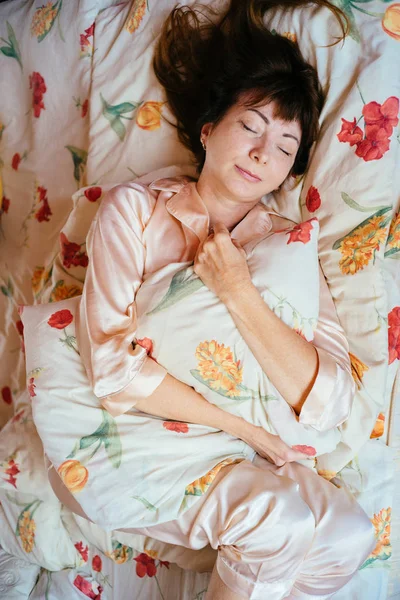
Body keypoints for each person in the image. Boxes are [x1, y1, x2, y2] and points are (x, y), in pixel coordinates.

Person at [67, 1, 376, 598]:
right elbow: (111, 366)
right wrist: (246, 429)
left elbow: (331, 399)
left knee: (349, 536)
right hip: (149, 445)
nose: (264, 153)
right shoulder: (135, 209)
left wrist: (237, 290)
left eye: (286, 147)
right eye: (251, 125)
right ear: (209, 129)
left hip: (253, 466)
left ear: (289, 173)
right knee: (277, 518)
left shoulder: (290, 248)